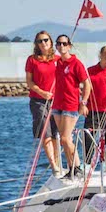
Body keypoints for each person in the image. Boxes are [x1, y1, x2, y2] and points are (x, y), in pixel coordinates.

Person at [50, 34, 92, 179]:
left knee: (66, 138)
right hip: (57, 104)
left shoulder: (76, 63)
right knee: (63, 140)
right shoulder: (57, 63)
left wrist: (83, 102)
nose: (61, 46)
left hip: (70, 104)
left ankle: (77, 167)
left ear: (69, 46)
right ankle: (71, 168)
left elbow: (87, 84)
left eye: (64, 43)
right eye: (58, 43)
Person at [25, 31, 62, 176]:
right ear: (36, 44)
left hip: (57, 101)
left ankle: (58, 163)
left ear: (51, 42)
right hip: (38, 101)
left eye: (46, 40)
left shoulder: (58, 59)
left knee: (56, 134)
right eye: (40, 41)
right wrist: (42, 92)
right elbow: (29, 82)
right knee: (45, 133)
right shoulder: (32, 60)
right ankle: (53, 165)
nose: (43, 43)